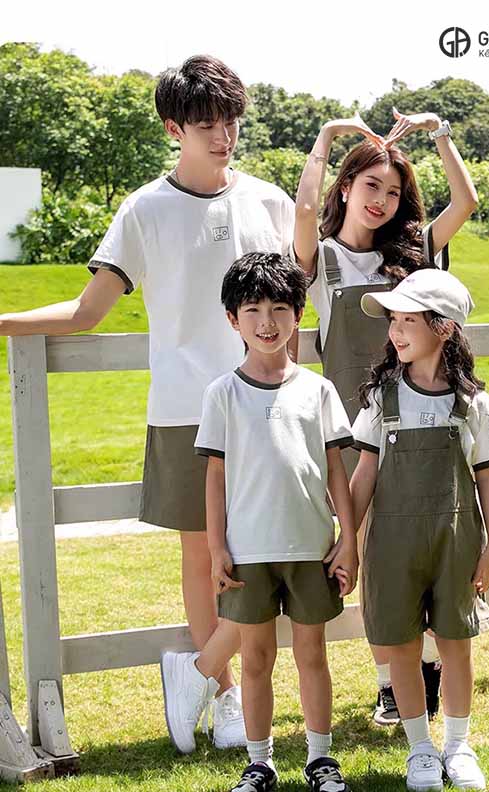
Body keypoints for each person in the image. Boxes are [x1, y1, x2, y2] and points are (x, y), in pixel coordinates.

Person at [0, 55, 296, 753]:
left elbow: (295, 301)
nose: (223, 135)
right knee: (204, 557)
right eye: (206, 124)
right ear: (173, 128)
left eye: (230, 121)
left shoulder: (270, 201)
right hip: (186, 409)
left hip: (271, 403)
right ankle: (226, 698)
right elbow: (86, 312)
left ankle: (199, 670)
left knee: (278, 553)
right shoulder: (144, 208)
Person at [294, 109, 479, 727]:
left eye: (394, 192)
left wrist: (438, 132)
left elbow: (466, 202)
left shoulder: (413, 255)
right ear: (346, 186)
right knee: (372, 556)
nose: (381, 200)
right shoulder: (320, 261)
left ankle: (422, 670)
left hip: (420, 428)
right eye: (371, 185)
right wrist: (326, 138)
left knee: (422, 547)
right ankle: (390, 683)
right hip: (354, 436)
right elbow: (303, 210)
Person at [195, 252, 358, 792]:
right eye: (253, 310)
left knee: (312, 655)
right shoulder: (223, 394)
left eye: (280, 309)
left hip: (312, 547)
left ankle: (320, 759)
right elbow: (215, 478)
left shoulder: (318, 390)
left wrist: (348, 539)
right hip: (248, 552)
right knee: (255, 658)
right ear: (233, 319)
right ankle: (259, 762)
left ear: (298, 314)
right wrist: (217, 548)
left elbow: (336, 469)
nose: (267, 322)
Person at [351, 268, 489, 791]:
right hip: (391, 547)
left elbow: (488, 481)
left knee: (455, 642)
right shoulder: (383, 398)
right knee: (400, 645)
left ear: (443, 328)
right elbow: (364, 475)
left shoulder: (474, 405)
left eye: (408, 321)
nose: (395, 332)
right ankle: (420, 747)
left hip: (455, 544)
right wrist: (347, 539)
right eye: (392, 321)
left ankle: (458, 746)